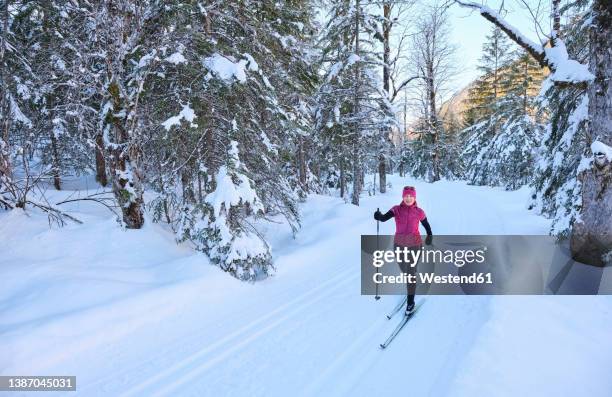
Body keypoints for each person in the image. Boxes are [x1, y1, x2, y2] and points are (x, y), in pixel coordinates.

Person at [374, 186, 432, 315]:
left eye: (411, 196)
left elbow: (427, 226)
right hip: (399, 245)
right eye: (406, 196)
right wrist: (378, 216)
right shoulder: (396, 209)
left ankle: (410, 302)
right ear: (403, 197)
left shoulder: (419, 212)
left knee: (410, 273)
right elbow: (383, 218)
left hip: (415, 245)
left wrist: (429, 236)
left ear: (414, 197)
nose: (408, 198)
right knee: (405, 270)